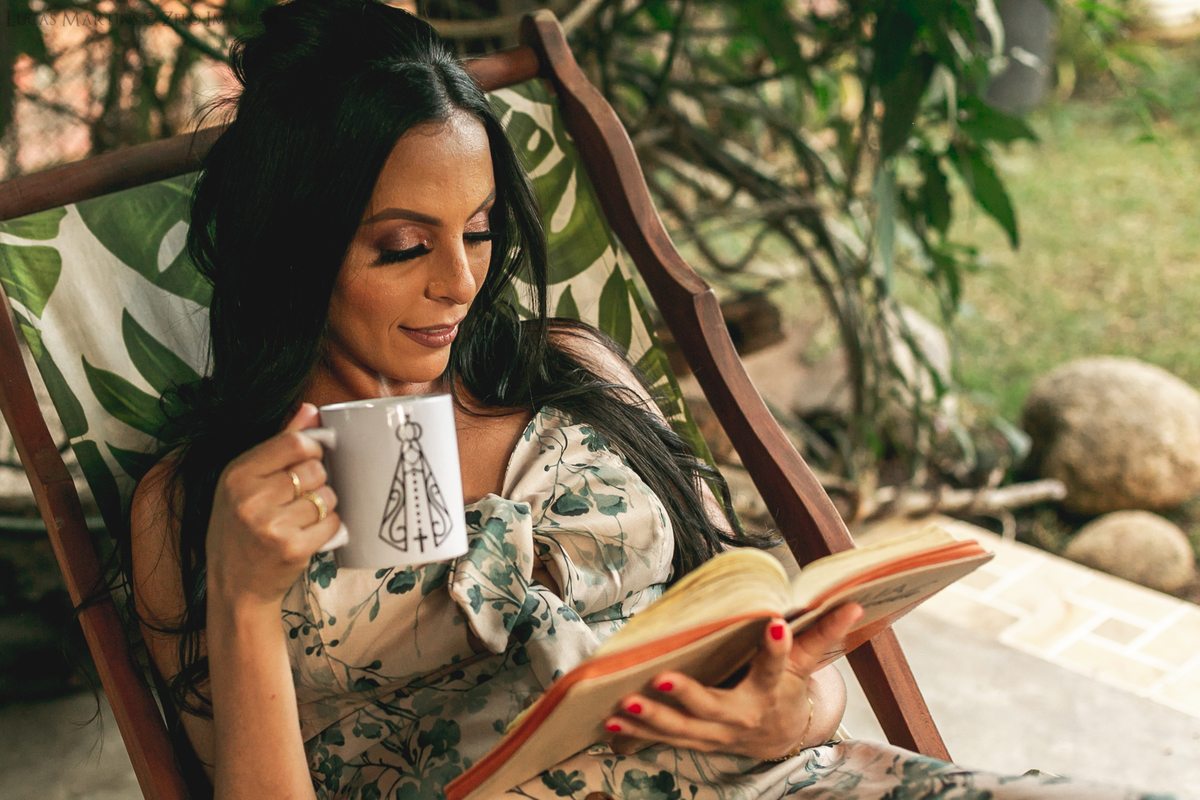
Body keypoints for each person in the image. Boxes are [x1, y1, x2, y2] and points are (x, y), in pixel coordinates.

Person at [125, 3, 1173, 800]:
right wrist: (245, 596)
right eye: (403, 246)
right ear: (295, 246)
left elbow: (751, 616)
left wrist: (794, 707)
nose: (460, 281)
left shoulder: (567, 369)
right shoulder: (205, 504)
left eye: (479, 231)